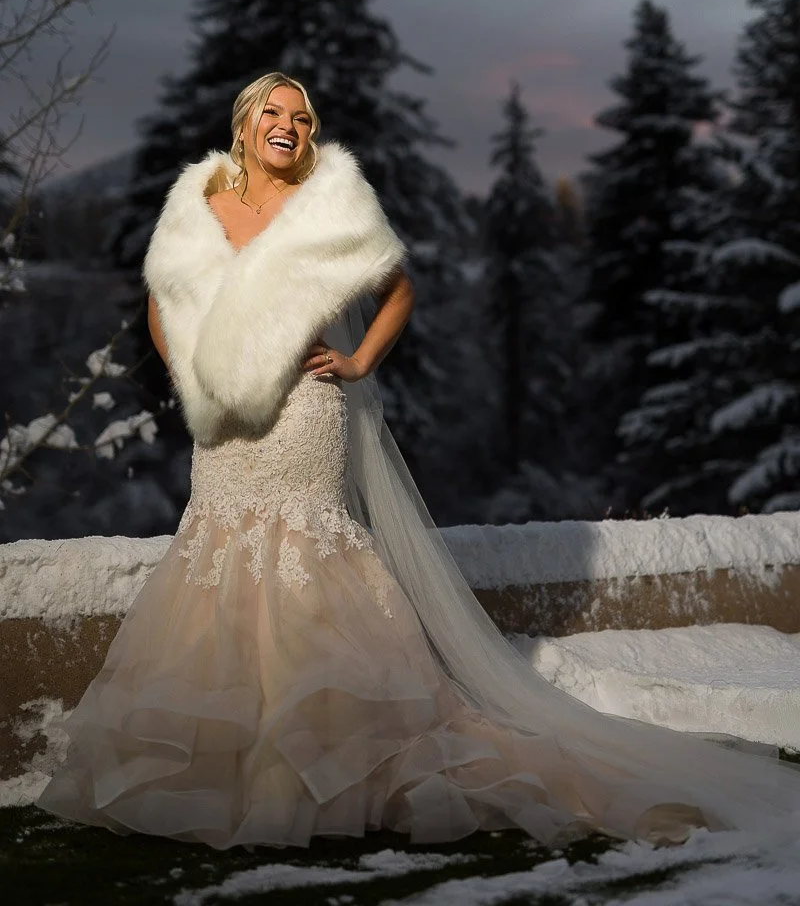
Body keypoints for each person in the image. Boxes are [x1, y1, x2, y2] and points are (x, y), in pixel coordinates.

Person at [39, 72, 800, 850]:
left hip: (305, 414)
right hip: (224, 427)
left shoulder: (327, 203)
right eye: (274, 111)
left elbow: (397, 287)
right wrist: (190, 374)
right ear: (244, 123)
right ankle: (227, 773)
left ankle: (326, 772)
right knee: (220, 553)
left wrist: (361, 359)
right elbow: (162, 305)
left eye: (302, 117)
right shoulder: (197, 205)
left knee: (305, 556)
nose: (289, 125)